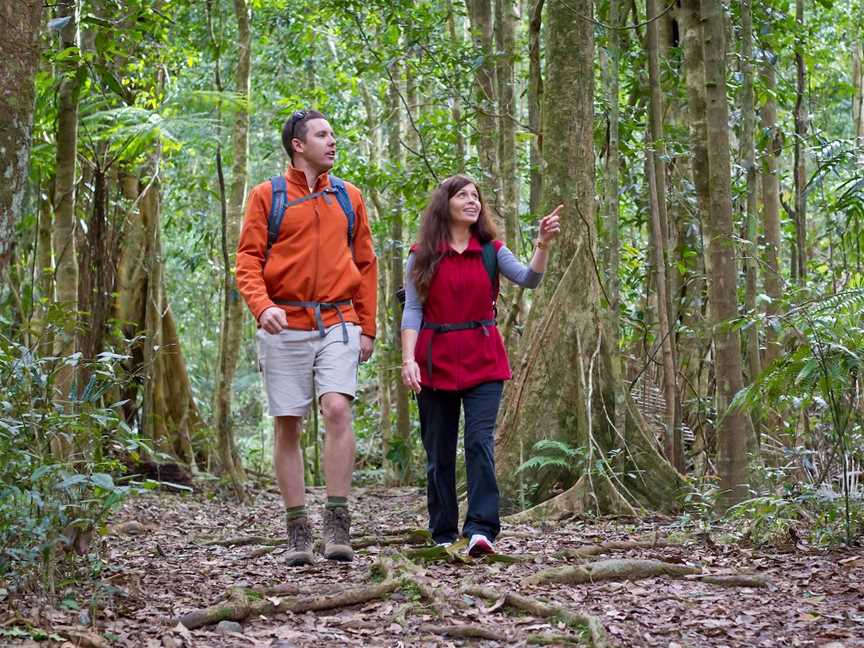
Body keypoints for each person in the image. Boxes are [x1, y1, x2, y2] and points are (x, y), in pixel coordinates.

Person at [236, 109, 377, 565]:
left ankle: (337, 521)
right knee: (288, 423)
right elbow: (248, 261)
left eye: (332, 134)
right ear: (299, 145)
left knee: (337, 407)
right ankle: (298, 526)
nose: (332, 142)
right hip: (285, 325)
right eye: (323, 135)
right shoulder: (267, 196)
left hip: (339, 320)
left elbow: (367, 264)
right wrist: (263, 307)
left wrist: (368, 327)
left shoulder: (348, 196)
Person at [400, 175, 561, 556]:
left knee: (478, 443)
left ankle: (481, 528)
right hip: (434, 359)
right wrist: (409, 360)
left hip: (483, 358)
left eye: (476, 196)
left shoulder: (491, 249)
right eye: (462, 196)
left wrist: (542, 244)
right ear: (446, 204)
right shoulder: (422, 252)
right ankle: (442, 531)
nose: (472, 201)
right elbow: (412, 309)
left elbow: (529, 279)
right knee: (438, 451)